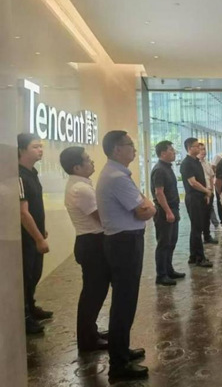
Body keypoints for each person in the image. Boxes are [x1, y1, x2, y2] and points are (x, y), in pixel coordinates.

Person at [96, 130, 155, 382]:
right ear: (116, 149)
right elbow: (144, 210)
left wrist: (146, 205)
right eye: (130, 144)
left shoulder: (118, 174)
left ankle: (121, 350)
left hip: (123, 241)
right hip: (124, 243)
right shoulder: (117, 177)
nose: (134, 148)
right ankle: (118, 365)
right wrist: (150, 207)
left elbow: (142, 204)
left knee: (125, 301)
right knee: (124, 303)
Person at [59, 146, 110, 351]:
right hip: (92, 243)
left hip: (92, 241)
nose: (92, 162)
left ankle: (90, 331)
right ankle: (87, 339)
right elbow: (102, 217)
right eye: (87, 159)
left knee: (95, 291)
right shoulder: (80, 189)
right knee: (93, 292)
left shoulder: (81, 184)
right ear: (77, 167)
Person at [18, 133, 51, 335]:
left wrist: (41, 229)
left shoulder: (33, 172)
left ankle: (31, 307)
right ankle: (24, 317)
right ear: (21, 149)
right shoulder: (18, 176)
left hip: (35, 233)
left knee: (35, 274)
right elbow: (22, 212)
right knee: (26, 276)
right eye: (35, 147)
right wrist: (38, 238)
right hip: (25, 238)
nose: (40, 150)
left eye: (41, 146)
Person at [150, 141, 186, 286]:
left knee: (171, 242)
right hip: (165, 211)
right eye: (171, 150)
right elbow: (159, 193)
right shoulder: (159, 170)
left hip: (173, 209)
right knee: (164, 243)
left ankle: (169, 269)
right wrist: (168, 212)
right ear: (163, 153)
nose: (174, 152)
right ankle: (161, 274)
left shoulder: (167, 168)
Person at [180, 138, 213, 268]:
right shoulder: (186, 163)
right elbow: (192, 182)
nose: (199, 148)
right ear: (189, 148)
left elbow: (202, 179)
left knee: (197, 228)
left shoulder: (196, 162)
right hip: (193, 198)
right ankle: (200, 257)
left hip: (201, 197)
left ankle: (193, 256)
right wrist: (206, 191)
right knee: (197, 228)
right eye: (196, 146)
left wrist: (206, 193)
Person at [198, 143, 219, 244]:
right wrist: (205, 191)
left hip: (209, 191)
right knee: (201, 216)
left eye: (204, 149)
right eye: (201, 149)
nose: (203, 151)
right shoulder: (196, 164)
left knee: (207, 216)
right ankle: (200, 236)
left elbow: (211, 176)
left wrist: (211, 191)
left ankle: (207, 236)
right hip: (201, 193)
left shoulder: (206, 163)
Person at [211, 151, 222, 227]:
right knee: (220, 201)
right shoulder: (218, 156)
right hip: (219, 181)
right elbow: (213, 167)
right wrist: (217, 175)